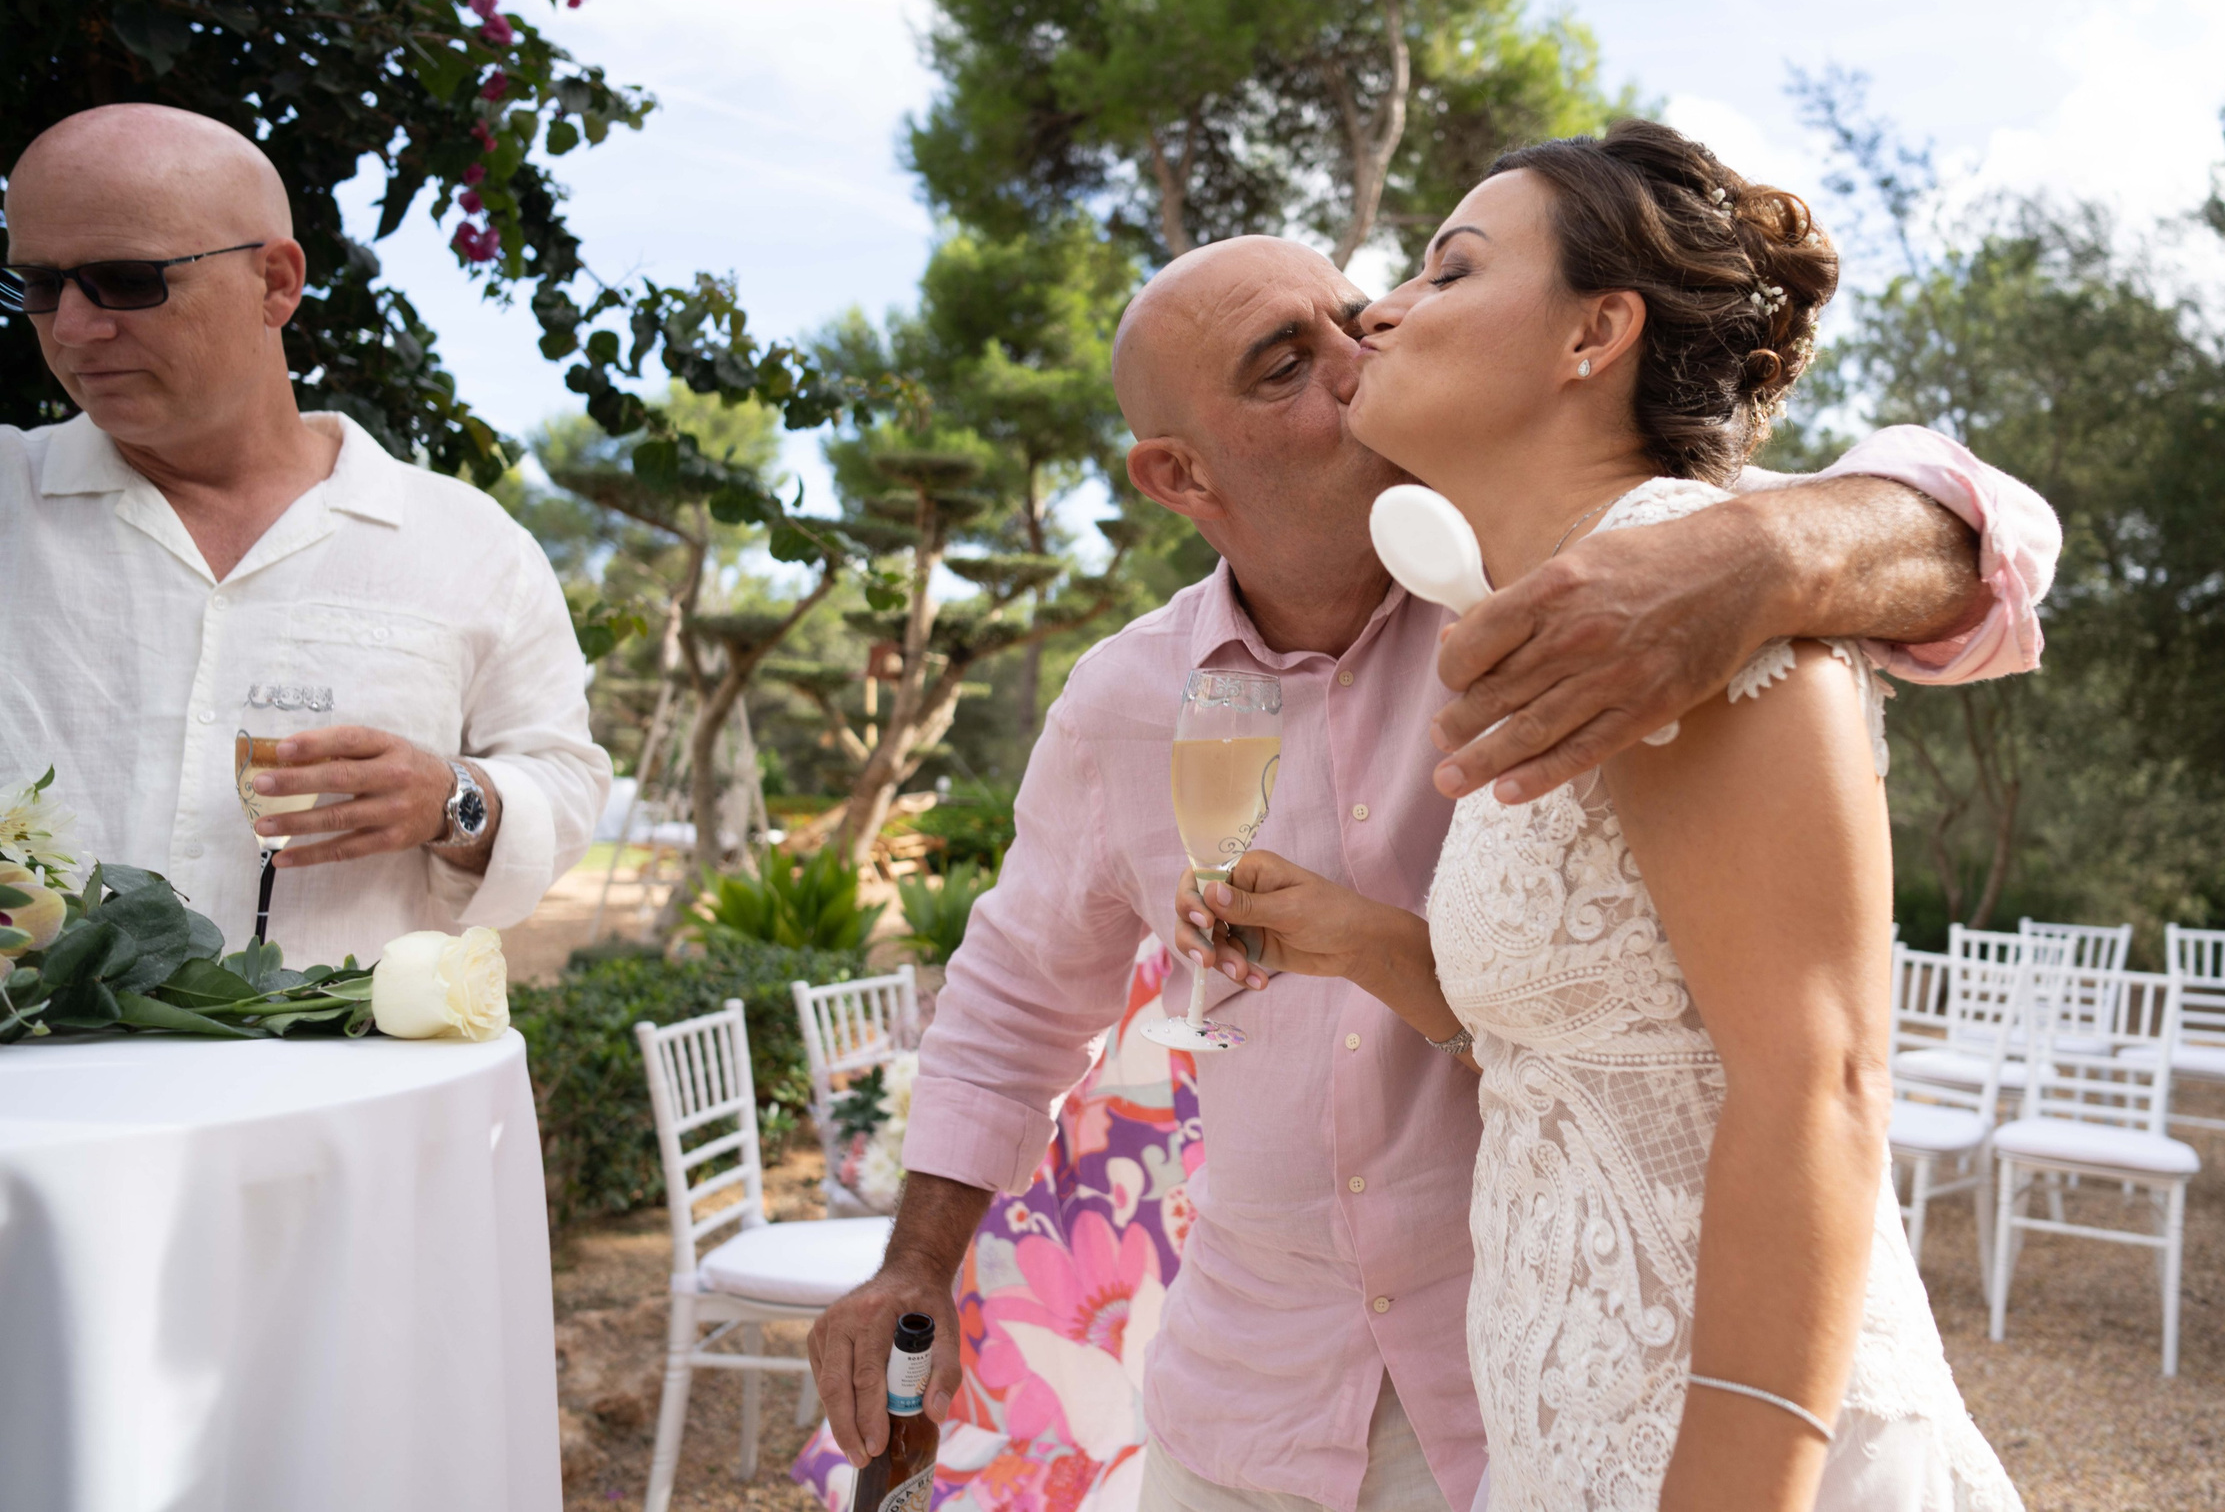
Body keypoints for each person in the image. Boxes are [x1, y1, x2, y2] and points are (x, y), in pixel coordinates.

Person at [806, 218, 2059, 1510]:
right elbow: (1012, 997)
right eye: (1285, 361)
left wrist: (1766, 552)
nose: (1359, 361)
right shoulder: (1124, 697)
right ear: (1179, 472)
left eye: (1356, 318)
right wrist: (915, 1262)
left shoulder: (1588, 588)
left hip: (1517, 1397)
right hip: (1240, 1400)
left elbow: (1993, 531)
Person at [1198, 122, 2019, 1510]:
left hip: (1729, 1455)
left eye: (1449, 270)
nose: (1384, 309)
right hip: (1565, 1439)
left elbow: (1817, 1086)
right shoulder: (1556, 607)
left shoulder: (1693, 589)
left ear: (1597, 332)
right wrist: (1366, 942)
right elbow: (1603, 1054)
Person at [0, 104, 610, 965]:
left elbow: (565, 780)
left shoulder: (472, 546)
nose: (71, 328)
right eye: (35, 284)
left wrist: (452, 797)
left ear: (276, 282)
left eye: (126, 280)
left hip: (340, 1094)